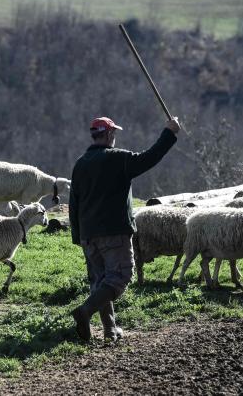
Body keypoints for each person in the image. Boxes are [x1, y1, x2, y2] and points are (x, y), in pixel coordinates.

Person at [69, 116, 180, 342]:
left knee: (101, 281)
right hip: (114, 232)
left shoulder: (80, 163)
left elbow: (74, 203)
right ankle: (85, 311)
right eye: (114, 133)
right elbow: (150, 158)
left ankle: (110, 330)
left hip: (88, 235)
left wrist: (78, 237)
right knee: (120, 276)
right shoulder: (119, 159)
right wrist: (169, 133)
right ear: (109, 134)